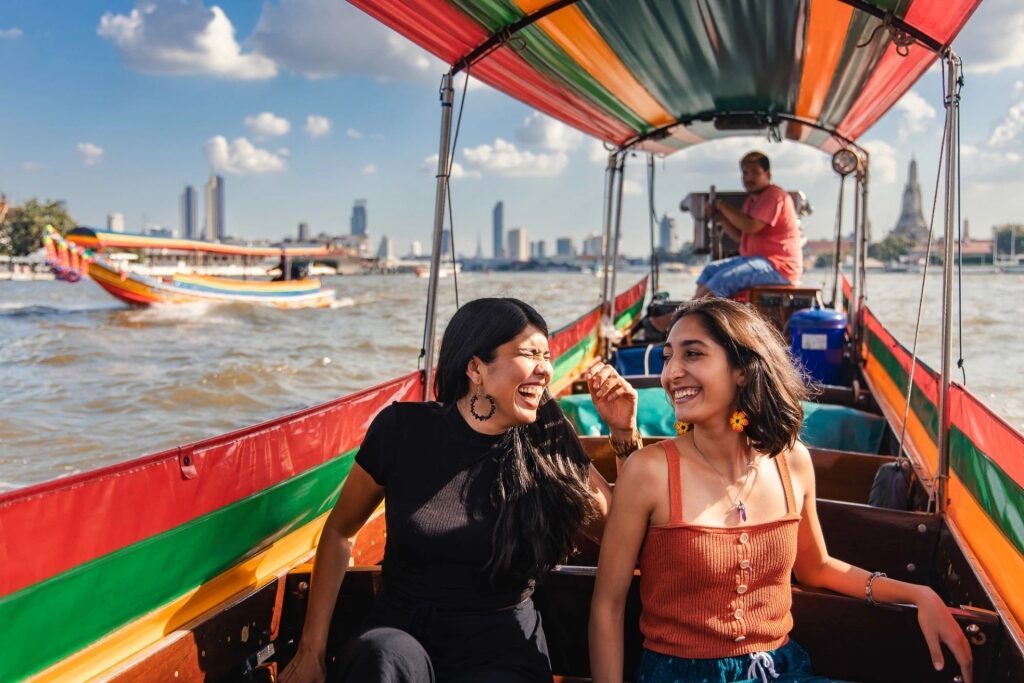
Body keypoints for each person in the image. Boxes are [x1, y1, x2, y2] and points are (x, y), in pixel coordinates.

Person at [589, 298, 973, 683]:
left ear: (742, 370)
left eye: (693, 354)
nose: (672, 373)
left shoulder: (792, 462)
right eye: (668, 357)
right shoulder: (649, 471)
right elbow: (608, 606)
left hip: (782, 671)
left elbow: (817, 567)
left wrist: (917, 594)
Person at [281, 297, 641, 682]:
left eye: (547, 356)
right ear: (475, 368)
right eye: (529, 354)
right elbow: (339, 531)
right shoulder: (402, 431)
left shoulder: (548, 441)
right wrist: (311, 651)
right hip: (404, 638)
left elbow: (622, 534)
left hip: (501, 650)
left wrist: (623, 433)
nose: (545, 370)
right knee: (379, 657)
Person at [695, 152, 803, 298]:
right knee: (710, 269)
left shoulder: (774, 196)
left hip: (779, 267)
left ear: (768, 174)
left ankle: (693, 315)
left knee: (725, 279)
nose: (748, 178)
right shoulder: (751, 201)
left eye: (755, 173)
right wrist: (721, 218)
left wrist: (722, 206)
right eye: (745, 173)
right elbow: (740, 236)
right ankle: (691, 311)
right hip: (756, 260)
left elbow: (751, 226)